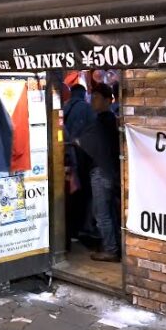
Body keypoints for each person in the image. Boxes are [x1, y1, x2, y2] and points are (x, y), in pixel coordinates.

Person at [86, 82, 122, 262]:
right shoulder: (108, 120)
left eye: (97, 98)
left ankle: (110, 249)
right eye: (92, 97)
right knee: (109, 212)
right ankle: (114, 246)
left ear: (109, 100)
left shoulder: (103, 121)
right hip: (107, 171)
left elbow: (98, 147)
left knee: (102, 213)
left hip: (102, 171)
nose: (93, 101)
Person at [63, 83, 98, 247]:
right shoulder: (86, 108)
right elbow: (95, 130)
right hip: (81, 156)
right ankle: (81, 227)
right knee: (82, 193)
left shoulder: (64, 107)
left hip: (66, 157)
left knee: (69, 196)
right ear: (84, 94)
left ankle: (70, 231)